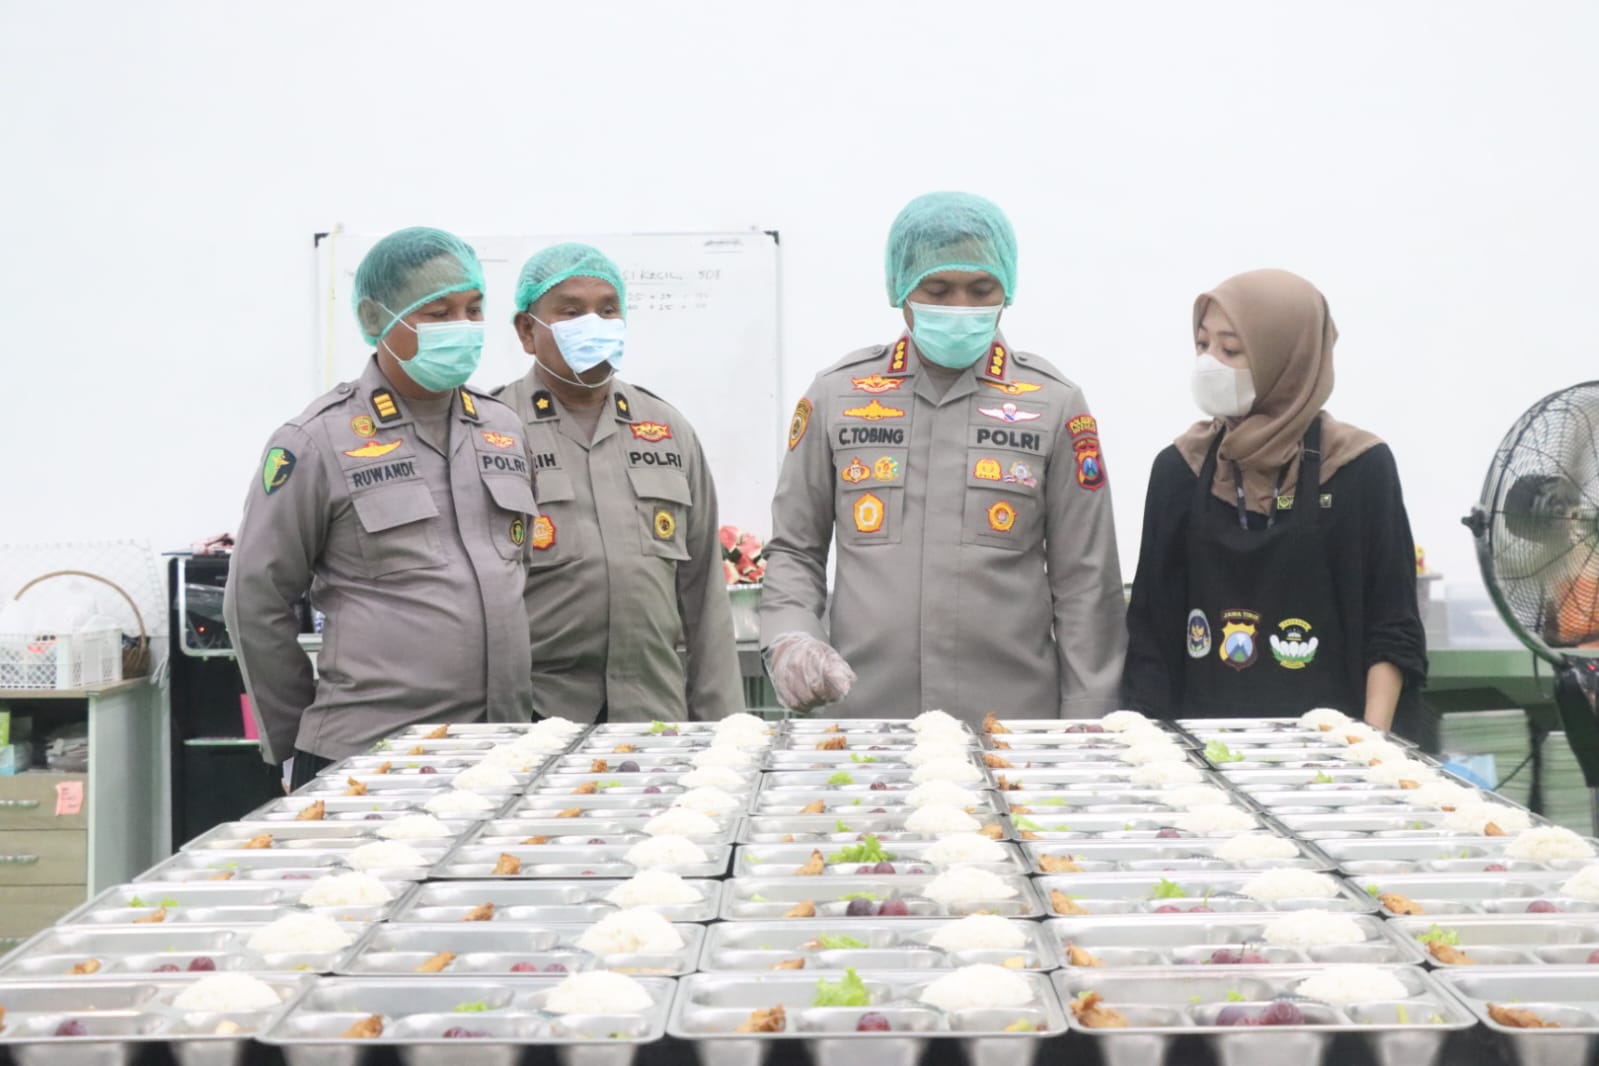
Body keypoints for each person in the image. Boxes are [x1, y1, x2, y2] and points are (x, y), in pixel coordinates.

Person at [759, 191, 1127, 723]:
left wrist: (1088, 719)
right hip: (866, 721)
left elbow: (1086, 581)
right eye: (937, 289)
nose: (960, 308)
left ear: (1008, 289)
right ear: (900, 288)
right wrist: (791, 637)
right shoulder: (837, 396)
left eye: (981, 290)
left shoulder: (1054, 404)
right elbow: (796, 549)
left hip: (1011, 726)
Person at [225, 227, 538, 785]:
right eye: (438, 313)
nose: (462, 327)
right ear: (377, 318)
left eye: (473, 309)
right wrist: (293, 741)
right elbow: (255, 599)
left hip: (499, 749)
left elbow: (517, 573)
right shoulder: (317, 439)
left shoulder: (503, 428)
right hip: (369, 758)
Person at [1121, 268, 1426, 731]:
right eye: (1202, 345)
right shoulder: (1181, 467)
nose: (1209, 363)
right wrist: (1155, 746)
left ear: (1286, 357)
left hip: (1335, 747)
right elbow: (1152, 633)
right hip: (1205, 747)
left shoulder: (1359, 466)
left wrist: (1370, 741)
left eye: (1230, 350)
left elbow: (1392, 622)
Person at [493, 243, 742, 722]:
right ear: (527, 330)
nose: (595, 324)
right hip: (535, 718)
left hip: (654, 716)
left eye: (608, 310)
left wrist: (722, 725)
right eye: (572, 312)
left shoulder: (667, 428)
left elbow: (705, 594)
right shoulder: (493, 431)